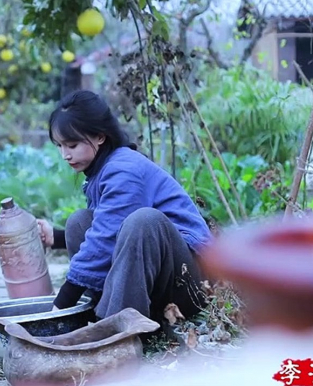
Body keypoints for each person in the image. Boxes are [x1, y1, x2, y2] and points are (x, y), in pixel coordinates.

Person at [36, 90, 213, 328]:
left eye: (72, 144)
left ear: (100, 136)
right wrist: (56, 238)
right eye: (59, 146)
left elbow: (105, 239)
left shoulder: (124, 170)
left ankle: (116, 329)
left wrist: (59, 307)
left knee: (143, 221)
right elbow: (106, 224)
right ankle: (101, 315)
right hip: (155, 280)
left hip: (188, 284)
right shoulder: (104, 168)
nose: (65, 155)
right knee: (79, 221)